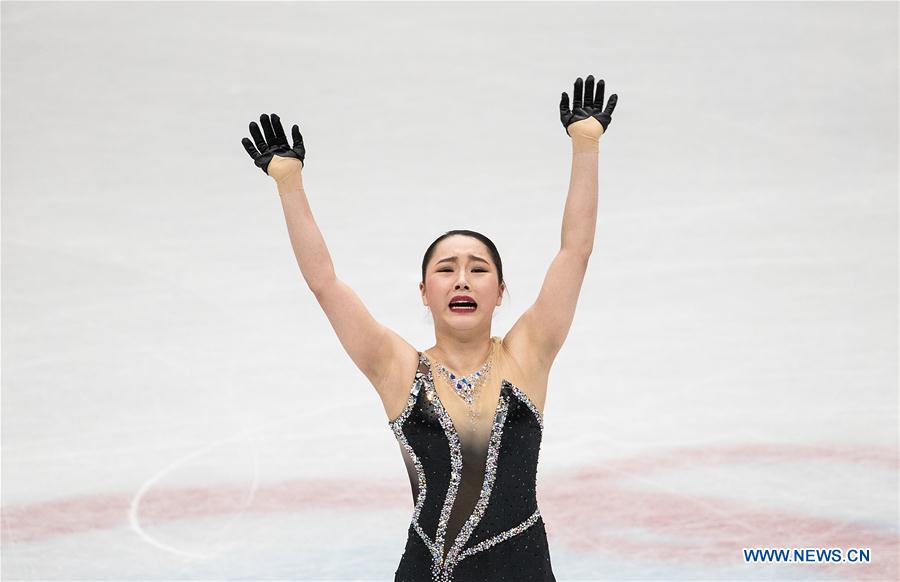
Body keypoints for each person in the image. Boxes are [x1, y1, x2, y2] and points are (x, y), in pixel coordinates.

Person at [241, 74, 617, 582]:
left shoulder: (529, 354)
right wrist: (289, 183)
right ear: (424, 291)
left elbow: (575, 252)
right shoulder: (397, 369)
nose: (462, 279)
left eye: (478, 269)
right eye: (446, 269)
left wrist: (586, 146)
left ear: (500, 291)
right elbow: (325, 283)